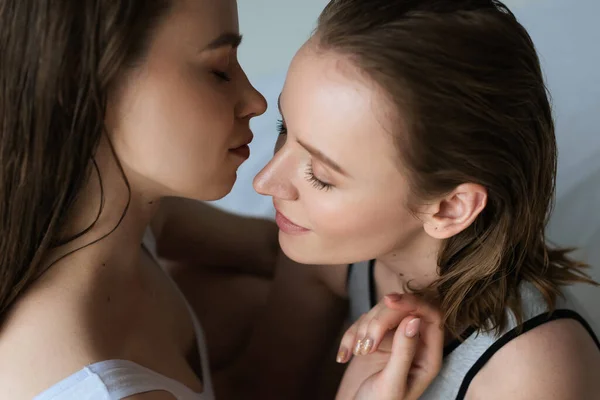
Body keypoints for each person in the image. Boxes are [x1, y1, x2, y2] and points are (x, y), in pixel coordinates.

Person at [218, 0, 600, 398]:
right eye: (284, 126)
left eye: (322, 176)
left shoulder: (533, 372)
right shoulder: (332, 256)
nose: (265, 181)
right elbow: (258, 390)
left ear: (449, 208)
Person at [0, 0, 269, 399]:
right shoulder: (97, 386)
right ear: (83, 82)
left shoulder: (122, 223)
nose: (256, 101)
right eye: (219, 70)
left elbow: (276, 250)